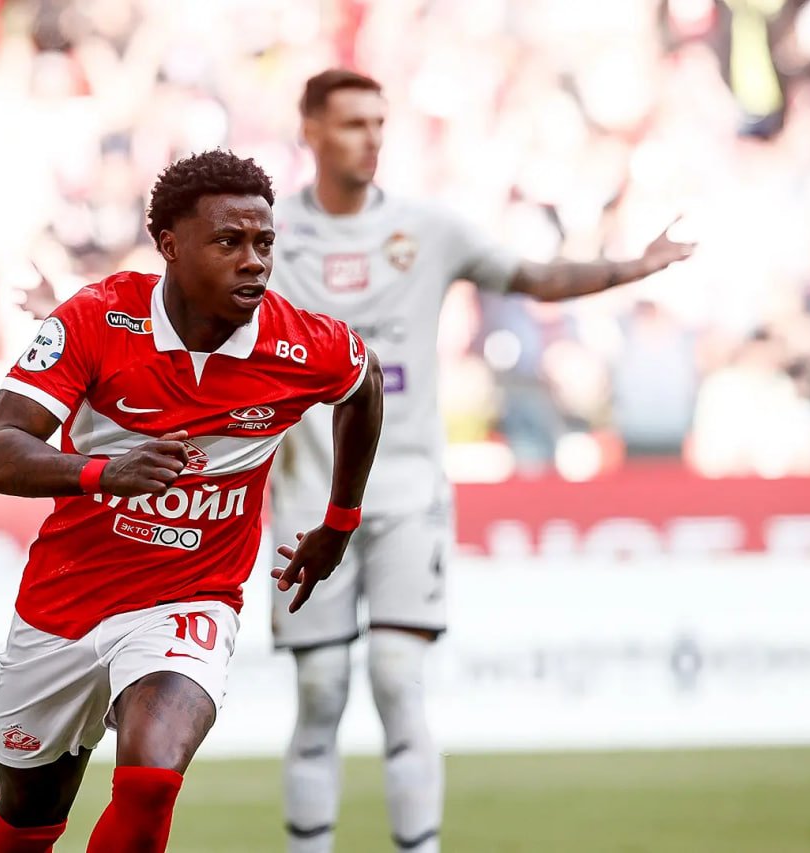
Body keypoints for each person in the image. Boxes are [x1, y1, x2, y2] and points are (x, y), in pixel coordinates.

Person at [267, 69, 696, 853]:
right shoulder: (268, 235)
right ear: (312, 131)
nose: (371, 138)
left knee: (398, 680)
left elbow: (534, 277)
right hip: (305, 493)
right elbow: (183, 303)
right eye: (353, 122)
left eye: (379, 122)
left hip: (409, 491)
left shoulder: (428, 227)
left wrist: (633, 266)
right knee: (321, 689)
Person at [0, 149, 384, 853]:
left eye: (264, 243)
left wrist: (340, 522)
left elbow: (363, 385)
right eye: (229, 242)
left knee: (152, 775)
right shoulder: (96, 318)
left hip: (191, 597)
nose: (254, 262)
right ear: (169, 244)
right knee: (25, 822)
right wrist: (104, 473)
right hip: (66, 602)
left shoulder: (300, 344)